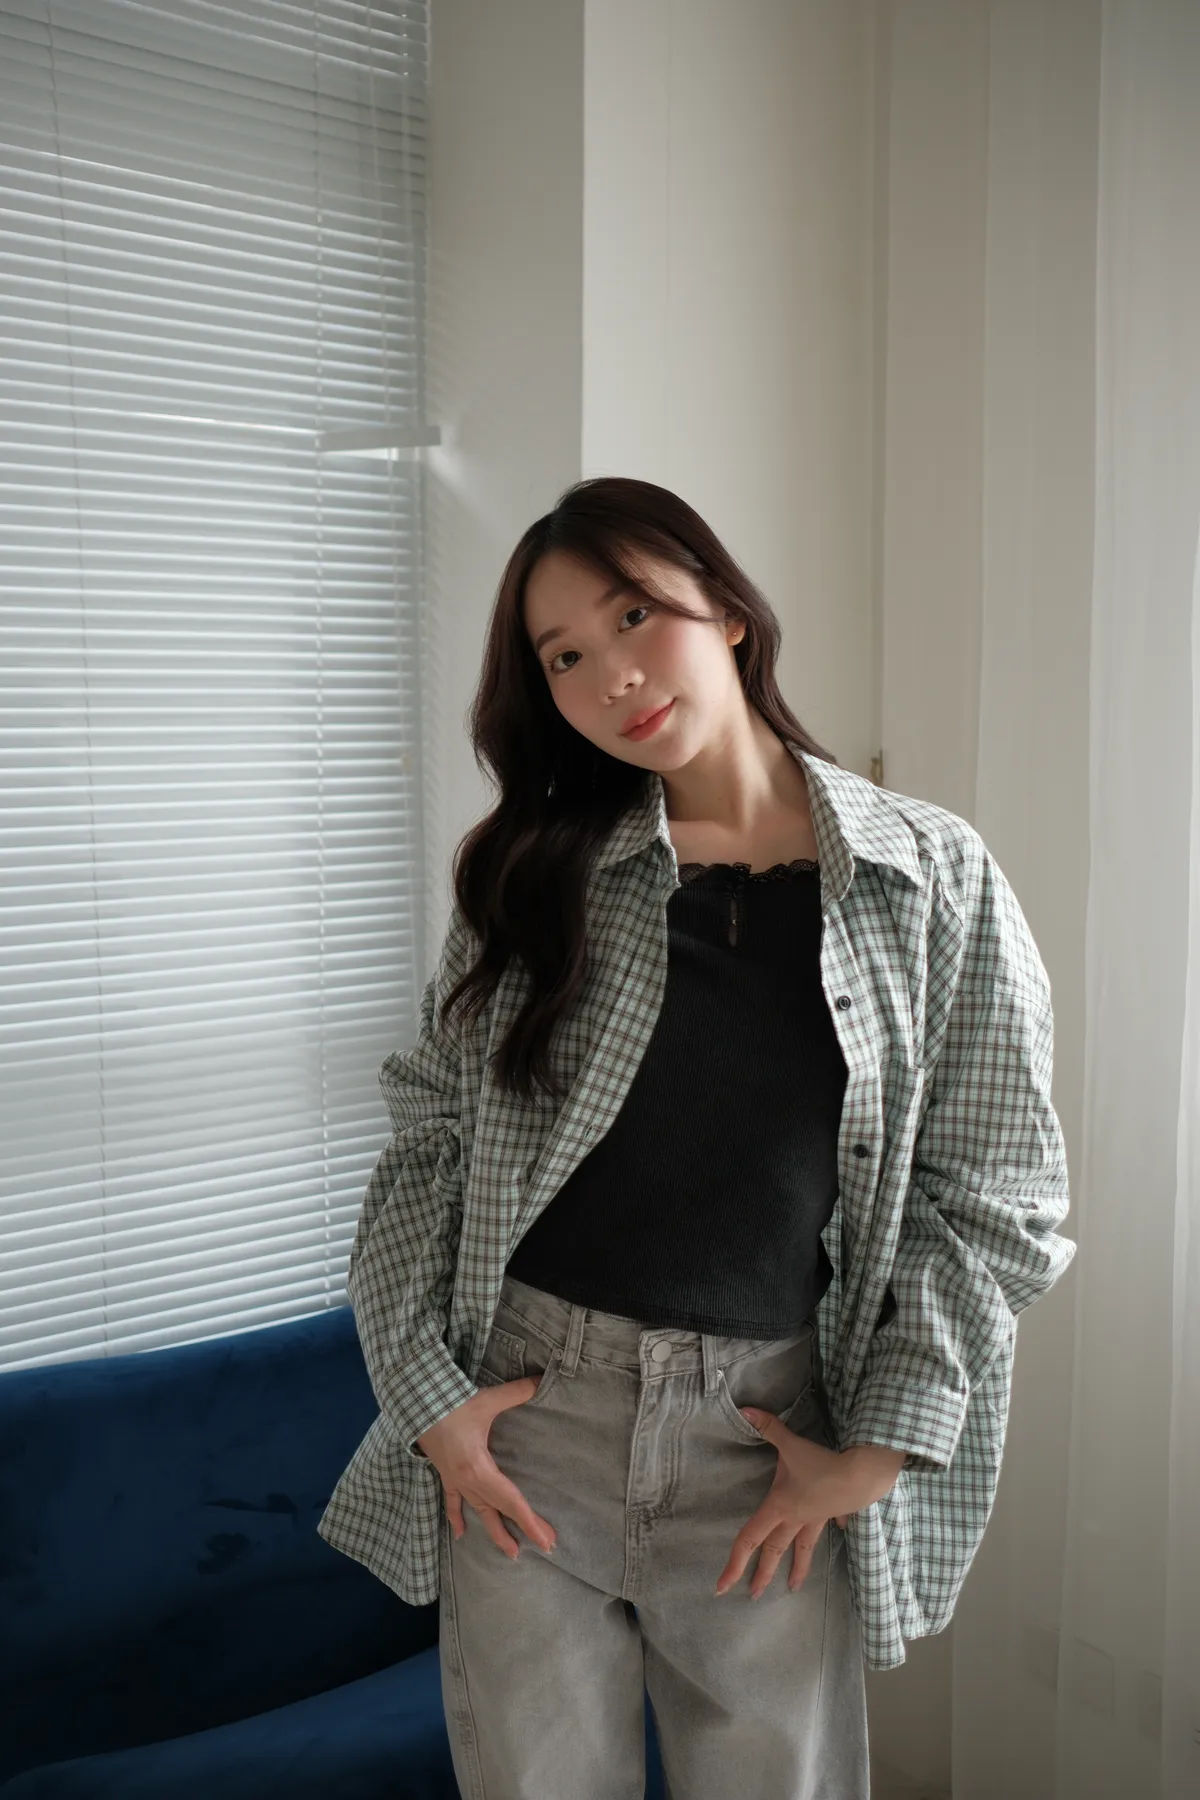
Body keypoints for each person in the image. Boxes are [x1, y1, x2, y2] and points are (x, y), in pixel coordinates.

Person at [318, 475, 1076, 1800]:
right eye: (564, 656)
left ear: (725, 607)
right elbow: (427, 1141)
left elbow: (991, 1196)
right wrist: (431, 1406)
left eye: (633, 616)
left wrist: (875, 1452)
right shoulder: (534, 875)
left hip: (765, 1439)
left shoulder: (931, 876)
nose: (612, 675)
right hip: (529, 1428)